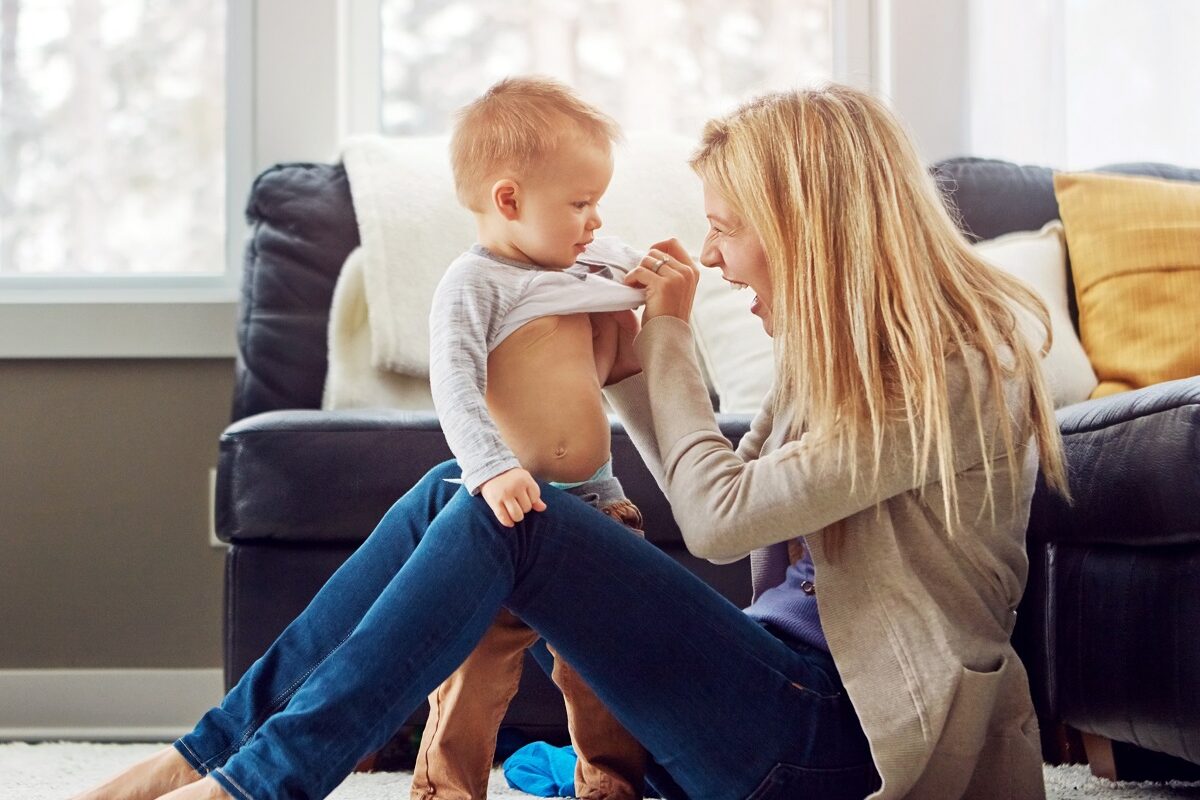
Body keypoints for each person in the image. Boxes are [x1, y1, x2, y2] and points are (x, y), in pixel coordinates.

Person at [72, 83, 1069, 800]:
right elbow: (719, 483)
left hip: (836, 742)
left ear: (809, 224)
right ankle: (204, 754)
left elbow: (719, 517)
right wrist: (629, 358)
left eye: (728, 228)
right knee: (451, 493)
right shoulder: (832, 356)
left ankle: (260, 786)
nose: (713, 258)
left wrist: (669, 339)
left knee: (518, 516)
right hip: (762, 695)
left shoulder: (949, 368)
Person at [416, 76, 650, 800]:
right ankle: (447, 787)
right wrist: (488, 470)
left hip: (598, 505)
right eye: (578, 204)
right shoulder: (474, 283)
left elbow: (597, 375)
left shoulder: (575, 277)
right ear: (509, 200)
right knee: (473, 666)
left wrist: (629, 323)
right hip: (508, 515)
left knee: (607, 664)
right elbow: (453, 384)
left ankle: (609, 782)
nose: (593, 220)